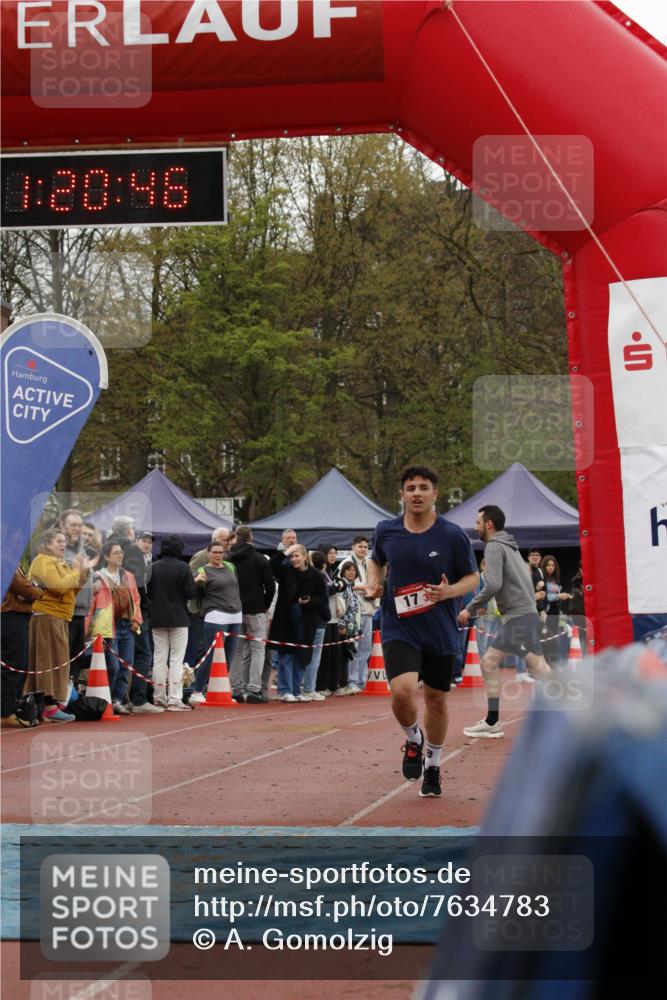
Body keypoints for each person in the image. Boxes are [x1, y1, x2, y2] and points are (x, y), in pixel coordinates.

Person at [365, 466, 479, 798]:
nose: (416, 493)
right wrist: (375, 582)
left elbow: (471, 577)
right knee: (401, 691)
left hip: (440, 628)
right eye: (410, 487)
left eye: (423, 487)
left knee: (436, 700)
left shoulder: (452, 535)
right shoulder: (386, 531)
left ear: (435, 494)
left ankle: (434, 765)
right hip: (399, 626)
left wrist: (450, 592)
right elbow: (376, 560)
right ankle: (414, 739)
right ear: (401, 494)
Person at [458, 506, 552, 739]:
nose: (475, 526)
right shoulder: (512, 547)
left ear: (489, 525)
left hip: (518, 617)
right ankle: (492, 721)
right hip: (523, 615)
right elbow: (524, 584)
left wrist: (469, 608)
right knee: (533, 666)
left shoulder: (493, 546)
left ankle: (493, 722)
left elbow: (493, 584)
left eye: (478, 522)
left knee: (499, 664)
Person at [25, 529, 97, 722]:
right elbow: (59, 587)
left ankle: (49, 704)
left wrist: (84, 571)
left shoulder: (60, 563)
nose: (63, 545)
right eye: (58, 541)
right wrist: (75, 569)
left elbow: (72, 591)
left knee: (57, 661)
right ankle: (48, 706)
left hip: (60, 616)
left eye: (64, 541)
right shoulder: (42, 561)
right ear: (47, 544)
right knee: (47, 660)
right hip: (46, 616)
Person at [88, 540, 143, 715]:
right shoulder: (98, 576)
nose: (120, 555)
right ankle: (107, 699)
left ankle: (117, 699)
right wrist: (88, 626)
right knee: (113, 665)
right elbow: (92, 602)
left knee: (126, 664)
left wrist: (137, 619)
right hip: (107, 625)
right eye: (116, 553)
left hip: (126, 625)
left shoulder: (128, 576)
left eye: (121, 552)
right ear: (106, 557)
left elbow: (136, 599)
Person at [269, 544, 329, 702]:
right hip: (286, 619)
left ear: (305, 557)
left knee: (302, 657)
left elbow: (323, 598)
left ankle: (297, 690)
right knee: (286, 656)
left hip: (306, 620)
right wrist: (286, 551)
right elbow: (273, 564)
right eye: (292, 556)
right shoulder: (285, 571)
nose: (294, 559)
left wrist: (310, 601)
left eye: (297, 556)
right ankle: (285, 690)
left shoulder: (315, 575)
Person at [148, 534, 198, 712]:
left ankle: (158, 698)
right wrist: (196, 582)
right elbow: (191, 593)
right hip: (179, 618)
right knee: (176, 659)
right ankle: (174, 699)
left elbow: (148, 593)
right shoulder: (183, 567)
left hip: (157, 618)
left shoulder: (153, 567)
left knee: (159, 658)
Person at [227, 526, 276, 704]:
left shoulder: (228, 559)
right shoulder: (260, 559)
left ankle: (237, 689)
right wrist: (264, 605)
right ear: (251, 538)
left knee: (237, 650)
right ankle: (254, 689)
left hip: (234, 609)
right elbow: (270, 585)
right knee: (257, 649)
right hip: (255, 609)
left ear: (236, 538)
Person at [190, 541, 243, 703]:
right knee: (211, 655)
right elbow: (192, 592)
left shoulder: (230, 567)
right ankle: (197, 691)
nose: (218, 555)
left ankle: (221, 690)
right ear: (208, 553)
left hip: (235, 614)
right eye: (215, 552)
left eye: (221, 552)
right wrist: (196, 581)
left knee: (229, 655)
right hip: (215, 615)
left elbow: (236, 588)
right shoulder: (203, 570)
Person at [1, 566, 43, 726]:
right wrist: (34, 591)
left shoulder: (13, 562)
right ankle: (5, 713)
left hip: (18, 616)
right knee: (13, 665)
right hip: (10, 616)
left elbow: (28, 588)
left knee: (20, 665)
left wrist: (31, 590)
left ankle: (12, 708)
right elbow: (26, 588)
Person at [186, 526, 233, 670]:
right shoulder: (201, 556)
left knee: (217, 647)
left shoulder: (227, 559)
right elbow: (190, 580)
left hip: (219, 610)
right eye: (225, 540)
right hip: (201, 611)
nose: (227, 543)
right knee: (203, 648)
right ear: (215, 541)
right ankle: (201, 683)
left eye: (228, 540)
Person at [60, 508, 96, 686]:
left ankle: (69, 696)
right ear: (62, 525)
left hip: (82, 611)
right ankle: (56, 701)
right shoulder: (57, 549)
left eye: (79, 525)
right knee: (63, 658)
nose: (77, 528)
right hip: (65, 612)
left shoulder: (82, 550)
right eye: (72, 524)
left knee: (76, 659)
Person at [341, 535, 379, 693]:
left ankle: (362, 680)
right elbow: (344, 585)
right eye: (360, 546)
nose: (363, 549)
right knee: (354, 648)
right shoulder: (346, 563)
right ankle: (352, 681)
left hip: (368, 611)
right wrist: (364, 587)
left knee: (365, 649)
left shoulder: (368, 564)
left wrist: (373, 592)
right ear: (353, 547)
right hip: (354, 614)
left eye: (365, 547)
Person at [300, 551, 331, 701]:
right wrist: (327, 616)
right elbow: (323, 600)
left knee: (303, 655)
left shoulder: (301, 575)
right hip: (317, 621)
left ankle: (299, 687)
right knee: (313, 657)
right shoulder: (319, 577)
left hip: (304, 620)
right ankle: (308, 688)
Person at [334, 560, 362, 696]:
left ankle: (344, 683)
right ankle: (340, 684)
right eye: (348, 570)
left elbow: (355, 609)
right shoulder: (342, 586)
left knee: (348, 655)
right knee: (342, 656)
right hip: (344, 627)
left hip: (352, 628)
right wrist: (341, 625)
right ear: (343, 571)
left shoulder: (352, 587)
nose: (352, 572)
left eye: (354, 570)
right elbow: (339, 607)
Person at [540, 554, 572, 667]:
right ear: (544, 566)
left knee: (553, 640)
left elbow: (557, 597)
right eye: (548, 565)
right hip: (545, 613)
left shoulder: (555, 580)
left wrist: (564, 596)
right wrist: (559, 596)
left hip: (556, 613)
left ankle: (552, 664)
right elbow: (544, 597)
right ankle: (543, 665)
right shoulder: (541, 580)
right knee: (544, 639)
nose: (550, 567)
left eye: (552, 565)